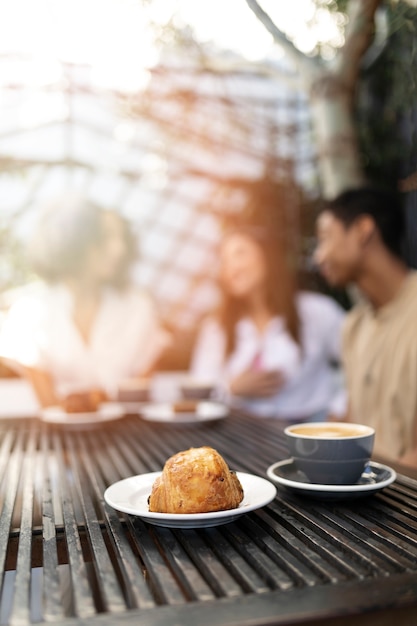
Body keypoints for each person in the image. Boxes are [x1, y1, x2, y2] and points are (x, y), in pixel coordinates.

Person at [0, 193, 170, 408]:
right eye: (106, 236)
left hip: (130, 434)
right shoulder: (29, 311)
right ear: (74, 240)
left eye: (121, 238)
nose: (119, 249)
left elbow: (141, 392)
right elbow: (48, 405)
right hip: (60, 436)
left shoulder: (139, 306)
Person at [190, 223, 347, 420]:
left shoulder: (317, 311)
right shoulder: (216, 327)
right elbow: (198, 389)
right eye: (224, 260)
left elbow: (361, 365)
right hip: (242, 433)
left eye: (239, 253)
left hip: (312, 431)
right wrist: (230, 389)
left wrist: (339, 408)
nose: (231, 267)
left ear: (267, 255)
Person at [314, 186, 417, 468]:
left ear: (362, 229)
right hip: (363, 490)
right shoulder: (353, 326)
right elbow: (353, 422)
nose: (318, 257)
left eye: (324, 238)